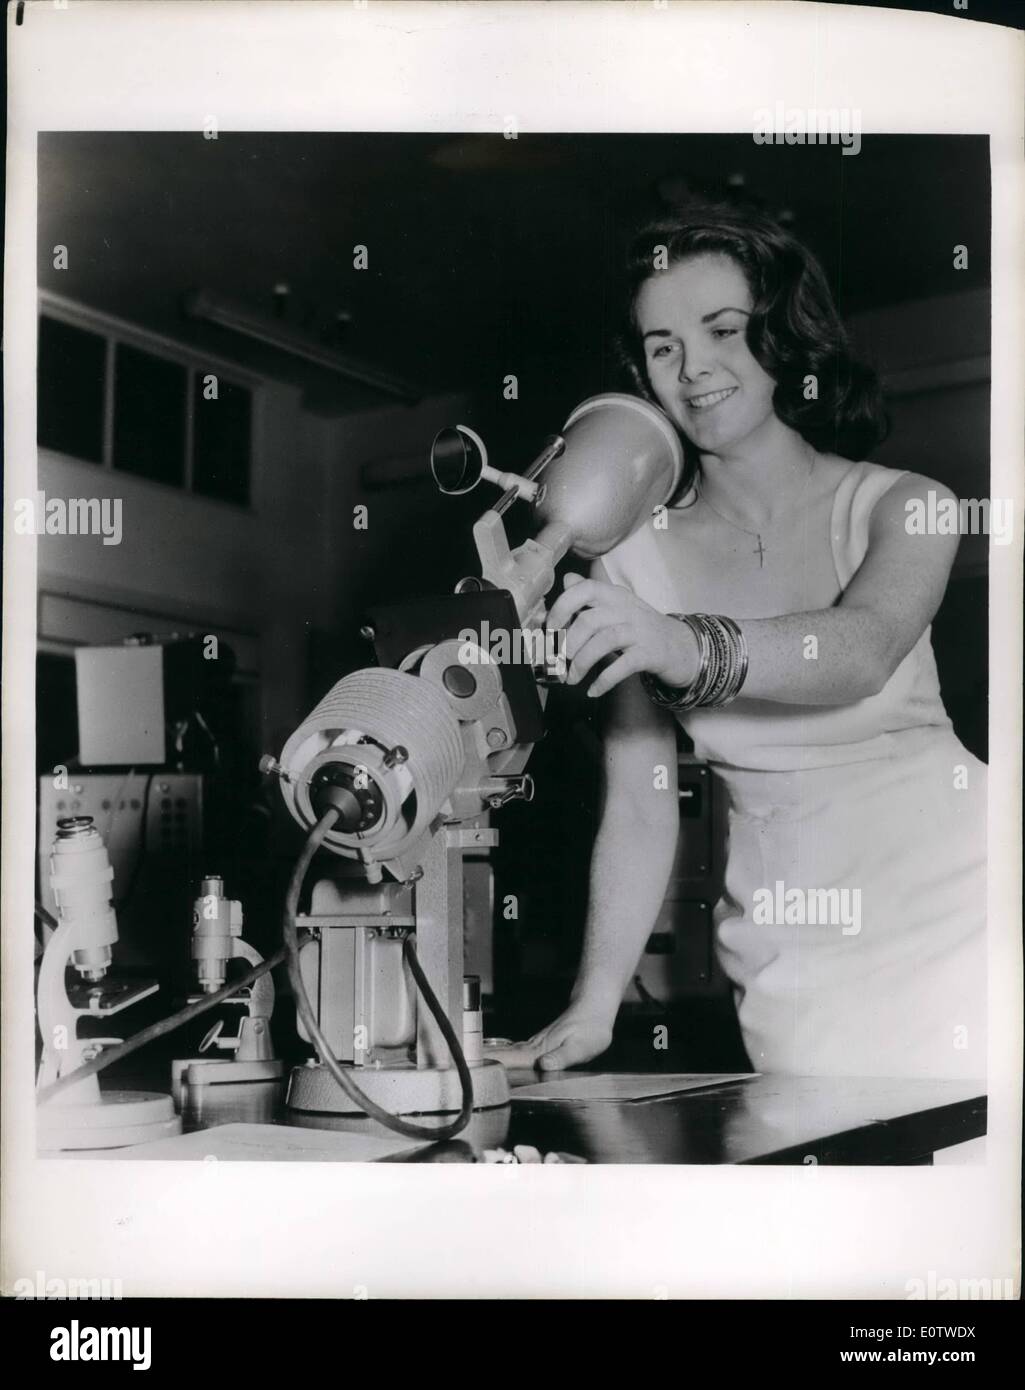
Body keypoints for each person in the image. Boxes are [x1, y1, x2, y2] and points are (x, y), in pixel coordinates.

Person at [502, 202, 987, 1080]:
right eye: (661, 346)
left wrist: (683, 647)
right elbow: (642, 799)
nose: (694, 369)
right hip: (790, 953)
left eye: (723, 329)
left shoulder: (906, 503)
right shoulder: (627, 562)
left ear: (782, 337)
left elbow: (862, 646)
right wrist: (594, 1004)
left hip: (968, 912)